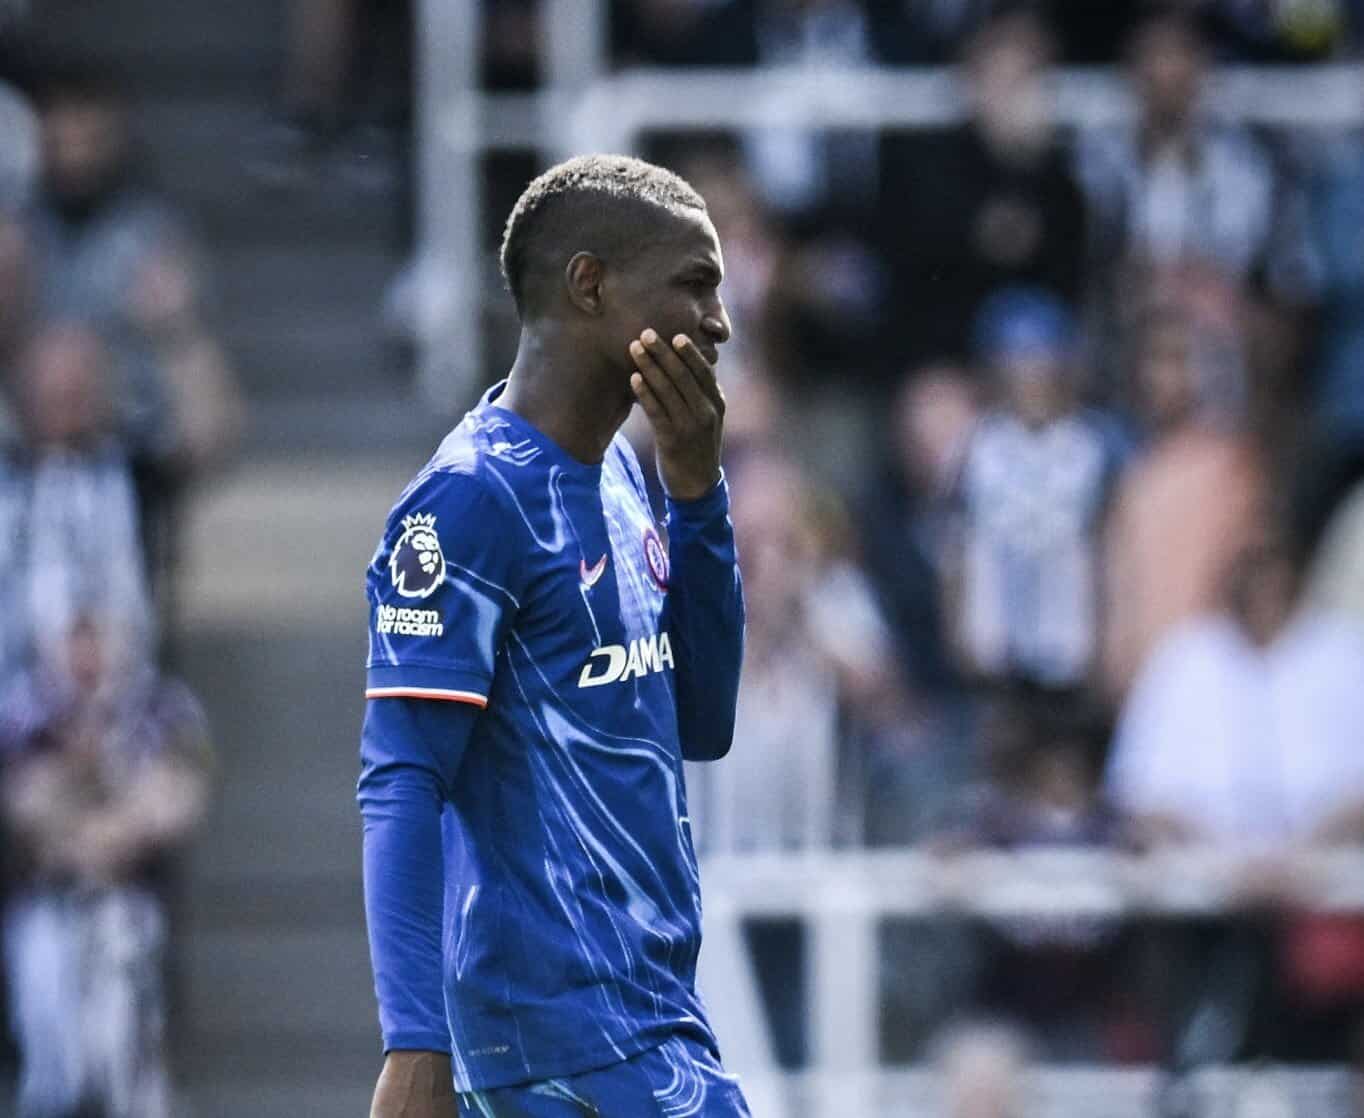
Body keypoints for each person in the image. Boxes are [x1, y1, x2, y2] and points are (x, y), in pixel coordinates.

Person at [358, 155, 749, 1117]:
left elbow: (700, 720)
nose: (719, 321)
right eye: (695, 284)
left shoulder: (621, 472)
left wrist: (697, 494)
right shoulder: (469, 501)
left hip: (648, 1016)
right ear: (590, 283)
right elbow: (402, 775)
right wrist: (415, 1047)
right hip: (557, 1044)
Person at [0, 612, 212, 1118]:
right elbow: (21, 803)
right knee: (49, 1027)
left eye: (97, 636)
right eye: (77, 637)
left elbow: (178, 800)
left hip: (128, 902)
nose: (87, 655)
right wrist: (93, 784)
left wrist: (101, 823)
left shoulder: (158, 707)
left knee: (118, 1039)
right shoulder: (28, 709)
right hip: (47, 902)